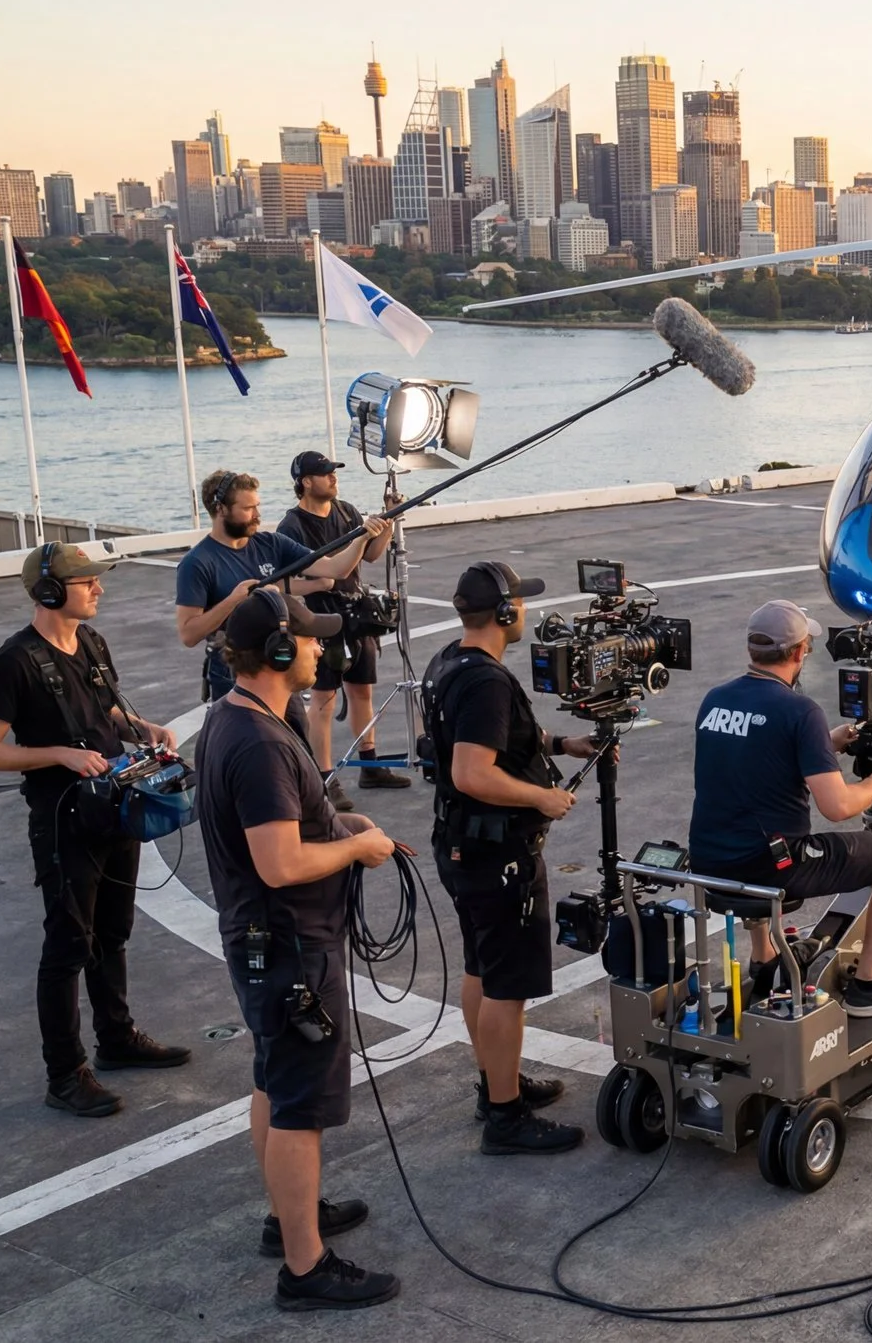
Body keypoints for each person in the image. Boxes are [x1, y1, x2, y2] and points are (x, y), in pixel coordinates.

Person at [194, 589, 402, 1310]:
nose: (322, 650)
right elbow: (279, 862)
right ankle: (305, 1266)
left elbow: (287, 826)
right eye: (311, 640)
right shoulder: (257, 742)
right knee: (299, 1104)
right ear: (280, 651)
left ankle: (289, 1215)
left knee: (272, 1079)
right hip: (288, 948)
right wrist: (361, 847)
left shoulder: (239, 717)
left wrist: (340, 824)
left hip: (268, 944)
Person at [0, 543, 190, 1118]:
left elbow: (105, 711)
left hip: (114, 807)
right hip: (65, 820)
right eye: (86, 580)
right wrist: (60, 755)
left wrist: (144, 726)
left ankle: (116, 1039)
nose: (98, 588)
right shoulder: (12, 663)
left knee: (113, 931)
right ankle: (64, 1074)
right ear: (48, 591)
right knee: (68, 946)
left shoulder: (91, 642)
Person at [422, 562, 598, 1152]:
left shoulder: (450, 660)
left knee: (482, 969)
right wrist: (542, 796)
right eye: (518, 601)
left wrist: (558, 743)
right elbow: (471, 771)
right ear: (503, 612)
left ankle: (494, 1082)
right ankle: (505, 1116)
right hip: (497, 854)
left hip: (462, 847)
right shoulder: (487, 682)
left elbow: (489, 737)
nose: (524, 609)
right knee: (506, 989)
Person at [688, 599, 872, 1014]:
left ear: (753, 650)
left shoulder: (716, 700)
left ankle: (764, 959)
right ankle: (871, 982)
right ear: (800, 652)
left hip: (710, 860)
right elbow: (837, 806)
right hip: (774, 865)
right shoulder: (800, 711)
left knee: (752, 827)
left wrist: (824, 745)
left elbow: (755, 764)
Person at [177, 468, 390, 707]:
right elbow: (189, 634)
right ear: (220, 509)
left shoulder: (271, 543)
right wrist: (234, 600)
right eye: (248, 508)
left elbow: (335, 569)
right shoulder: (196, 563)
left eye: (257, 506)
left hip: (280, 662)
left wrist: (362, 538)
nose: (257, 514)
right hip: (234, 674)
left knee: (293, 736)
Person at [276, 450, 410, 799]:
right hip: (318, 621)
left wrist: (389, 520)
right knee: (323, 699)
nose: (333, 478)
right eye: (325, 473)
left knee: (362, 690)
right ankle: (324, 777)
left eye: (333, 472)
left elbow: (370, 554)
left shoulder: (346, 510)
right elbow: (286, 581)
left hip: (355, 615)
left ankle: (370, 765)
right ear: (306, 482)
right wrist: (322, 584)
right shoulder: (292, 527)